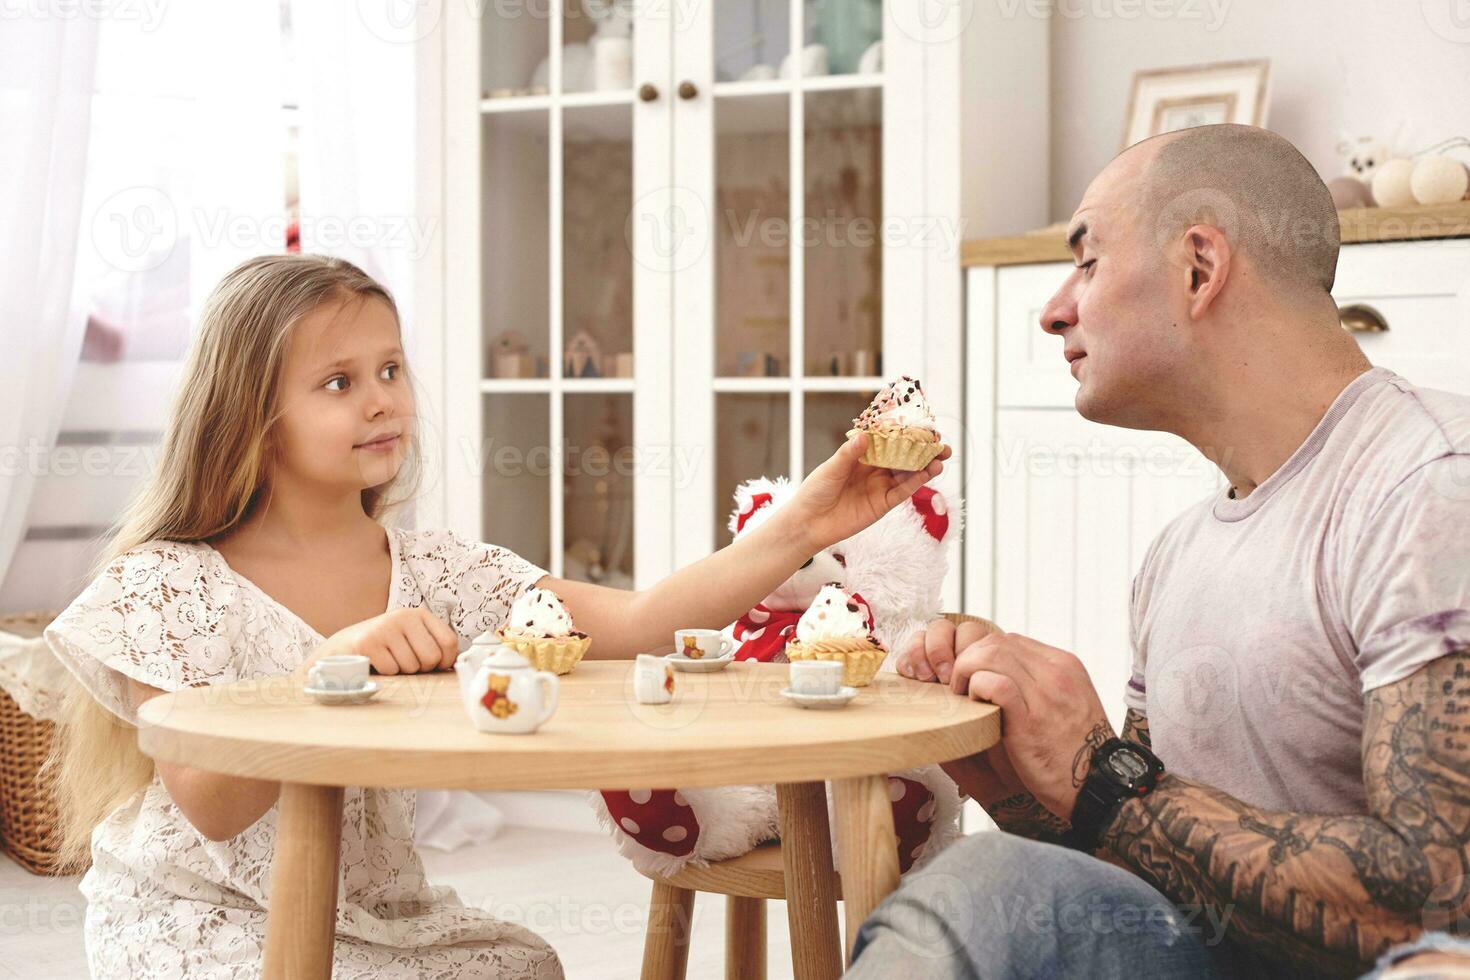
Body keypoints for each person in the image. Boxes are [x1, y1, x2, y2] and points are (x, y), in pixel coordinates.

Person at [44, 253, 948, 978]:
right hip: (201, 921)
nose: (381, 398)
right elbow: (210, 804)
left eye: (390, 369)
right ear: (250, 415)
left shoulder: (435, 569)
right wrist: (334, 667)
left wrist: (805, 525)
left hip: (377, 915)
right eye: (337, 382)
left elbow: (637, 622)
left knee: (527, 966)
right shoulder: (169, 581)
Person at [854, 124, 1470, 978]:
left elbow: (1442, 898)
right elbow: (1147, 857)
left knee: (985, 887)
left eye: (1089, 261)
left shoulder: (1432, 487)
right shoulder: (1177, 555)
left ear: (1198, 268)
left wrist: (1104, 770)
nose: (1053, 308)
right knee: (1002, 882)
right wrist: (1017, 777)